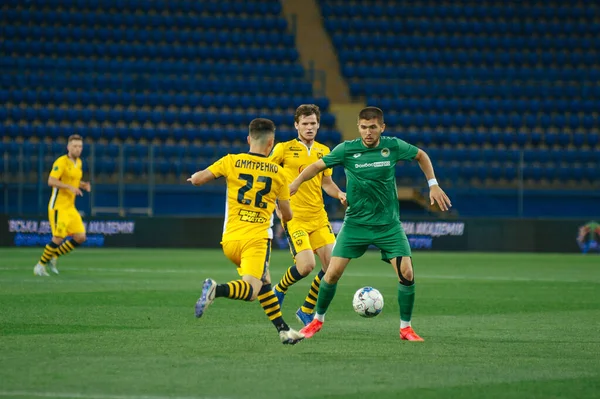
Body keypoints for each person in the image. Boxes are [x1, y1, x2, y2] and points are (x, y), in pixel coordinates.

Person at [290, 107, 452, 341]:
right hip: (356, 223)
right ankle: (316, 321)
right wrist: (295, 184)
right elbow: (317, 166)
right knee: (332, 273)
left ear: (382, 128)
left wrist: (433, 184)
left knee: (406, 273)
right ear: (358, 127)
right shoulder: (346, 150)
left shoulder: (392, 146)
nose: (368, 132)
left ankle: (405, 328)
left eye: (373, 127)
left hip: (388, 225)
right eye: (364, 127)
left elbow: (421, 155)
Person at [188, 118, 304, 345]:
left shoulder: (231, 160)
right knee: (252, 291)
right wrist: (280, 212)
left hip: (230, 241)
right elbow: (287, 214)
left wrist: (193, 178)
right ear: (271, 144)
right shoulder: (279, 174)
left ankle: (283, 330)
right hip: (256, 240)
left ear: (249, 139)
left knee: (265, 283)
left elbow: (199, 179)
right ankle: (216, 289)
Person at [269, 104, 347, 325]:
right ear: (296, 125)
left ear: (319, 125)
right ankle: (279, 289)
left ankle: (306, 309)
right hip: (295, 217)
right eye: (305, 123)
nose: (309, 127)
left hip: (319, 217)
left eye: (313, 123)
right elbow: (266, 175)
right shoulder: (283, 149)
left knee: (332, 267)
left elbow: (327, 183)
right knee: (306, 266)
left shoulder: (324, 151)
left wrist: (339, 193)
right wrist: (276, 201)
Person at [34, 134, 90, 276]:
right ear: (68, 147)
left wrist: (82, 185)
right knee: (58, 238)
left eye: (80, 146)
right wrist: (69, 187)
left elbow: (74, 181)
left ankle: (54, 256)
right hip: (58, 206)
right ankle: (40, 266)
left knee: (80, 237)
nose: (78, 149)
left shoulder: (79, 163)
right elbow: (51, 181)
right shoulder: (61, 162)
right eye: (75, 146)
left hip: (70, 207)